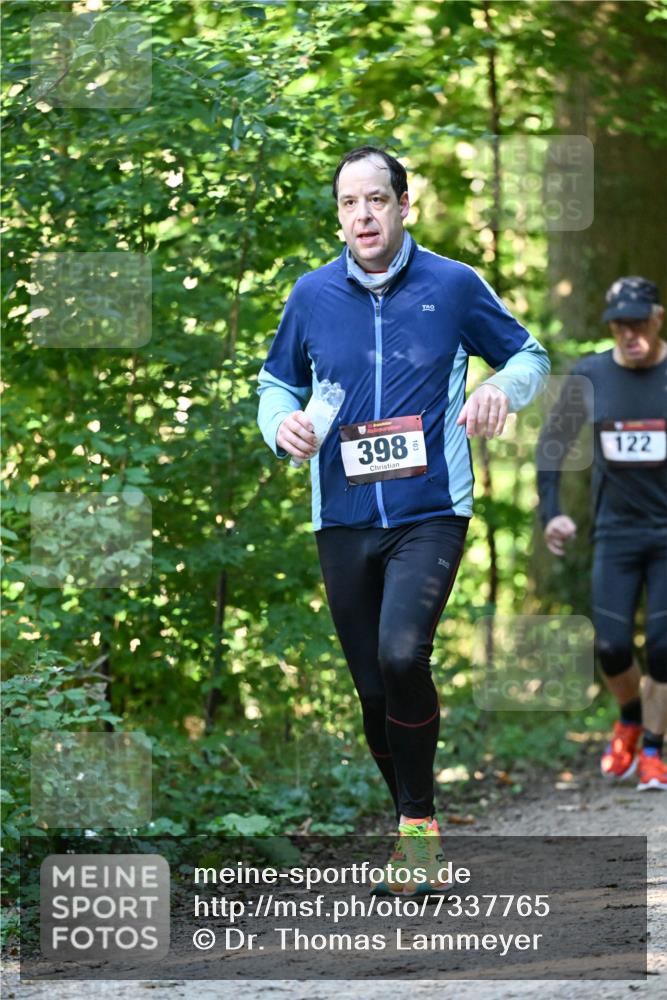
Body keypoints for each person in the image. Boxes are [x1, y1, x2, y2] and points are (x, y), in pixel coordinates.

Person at [257, 146, 550, 894]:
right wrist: (279, 425)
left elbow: (528, 354)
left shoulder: (452, 285)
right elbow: (273, 384)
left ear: (403, 205)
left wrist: (500, 393)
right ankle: (410, 826)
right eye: (349, 203)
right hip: (342, 518)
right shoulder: (311, 295)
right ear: (338, 216)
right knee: (371, 689)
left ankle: (417, 825)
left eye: (376, 200)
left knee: (399, 655)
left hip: (430, 511)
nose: (362, 215)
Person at [537, 276, 667, 791]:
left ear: (658, 317)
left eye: (638, 322)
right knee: (611, 647)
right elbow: (552, 445)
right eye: (619, 325)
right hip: (615, 533)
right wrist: (552, 513)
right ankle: (631, 716)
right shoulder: (590, 375)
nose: (629, 333)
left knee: (663, 648)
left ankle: (655, 750)